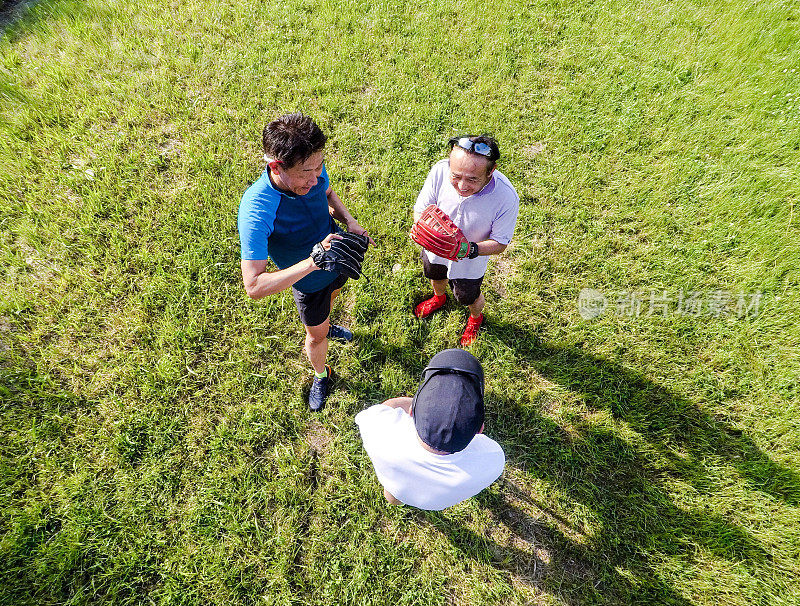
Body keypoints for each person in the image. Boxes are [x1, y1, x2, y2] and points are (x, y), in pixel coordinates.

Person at [238, 113, 374, 411]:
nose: (314, 179)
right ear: (275, 166)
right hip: (309, 281)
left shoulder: (312, 171)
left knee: (333, 297)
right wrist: (314, 261)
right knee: (316, 336)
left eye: (319, 166)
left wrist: (349, 221)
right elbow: (254, 286)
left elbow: (326, 191)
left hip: (337, 256)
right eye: (305, 173)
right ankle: (321, 374)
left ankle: (327, 321)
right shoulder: (256, 210)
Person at [355, 349, 505, 510]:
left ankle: (396, 501)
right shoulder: (493, 459)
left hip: (397, 486)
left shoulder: (376, 428)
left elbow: (388, 407)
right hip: (436, 502)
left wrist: (425, 404)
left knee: (393, 494)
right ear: (480, 429)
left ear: (411, 411)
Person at [412, 135, 520, 346]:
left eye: (472, 179)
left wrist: (467, 250)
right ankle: (439, 297)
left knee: (467, 296)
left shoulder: (506, 197)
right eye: (456, 176)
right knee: (434, 274)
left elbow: (500, 243)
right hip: (434, 249)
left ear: (491, 171)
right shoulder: (440, 170)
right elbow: (421, 208)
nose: (461, 186)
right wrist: (424, 229)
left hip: (470, 263)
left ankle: (475, 318)